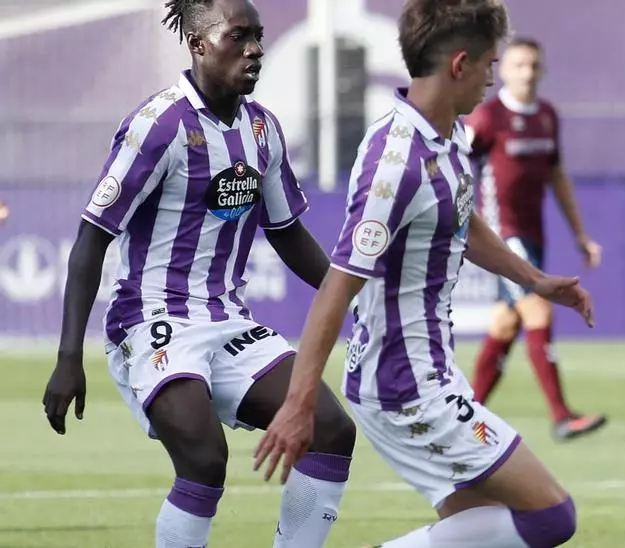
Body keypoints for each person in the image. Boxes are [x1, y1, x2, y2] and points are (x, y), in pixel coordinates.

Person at [252, 1, 588, 546]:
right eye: (489, 65)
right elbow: (338, 284)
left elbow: (462, 218)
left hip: (424, 372)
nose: (492, 79)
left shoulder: (446, 134)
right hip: (405, 387)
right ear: (460, 65)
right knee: (552, 517)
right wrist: (298, 403)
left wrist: (536, 281)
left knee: (478, 528)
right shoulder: (396, 160)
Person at [40, 1, 357, 547]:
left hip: (228, 320)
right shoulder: (158, 124)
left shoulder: (262, 128)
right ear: (198, 44)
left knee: (331, 429)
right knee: (205, 458)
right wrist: (70, 357)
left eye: (258, 36)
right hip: (151, 321)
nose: (255, 49)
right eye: (239, 36)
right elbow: (92, 238)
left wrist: (354, 295)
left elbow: (285, 231)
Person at [463, 36, 606, 441]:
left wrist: (580, 234)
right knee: (538, 311)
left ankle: (465, 417)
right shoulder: (487, 118)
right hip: (502, 237)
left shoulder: (546, 116)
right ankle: (561, 415)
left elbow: (557, 177)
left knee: (505, 325)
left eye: (533, 65)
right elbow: (454, 161)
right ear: (503, 71)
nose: (527, 73)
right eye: (518, 65)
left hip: (533, 235)